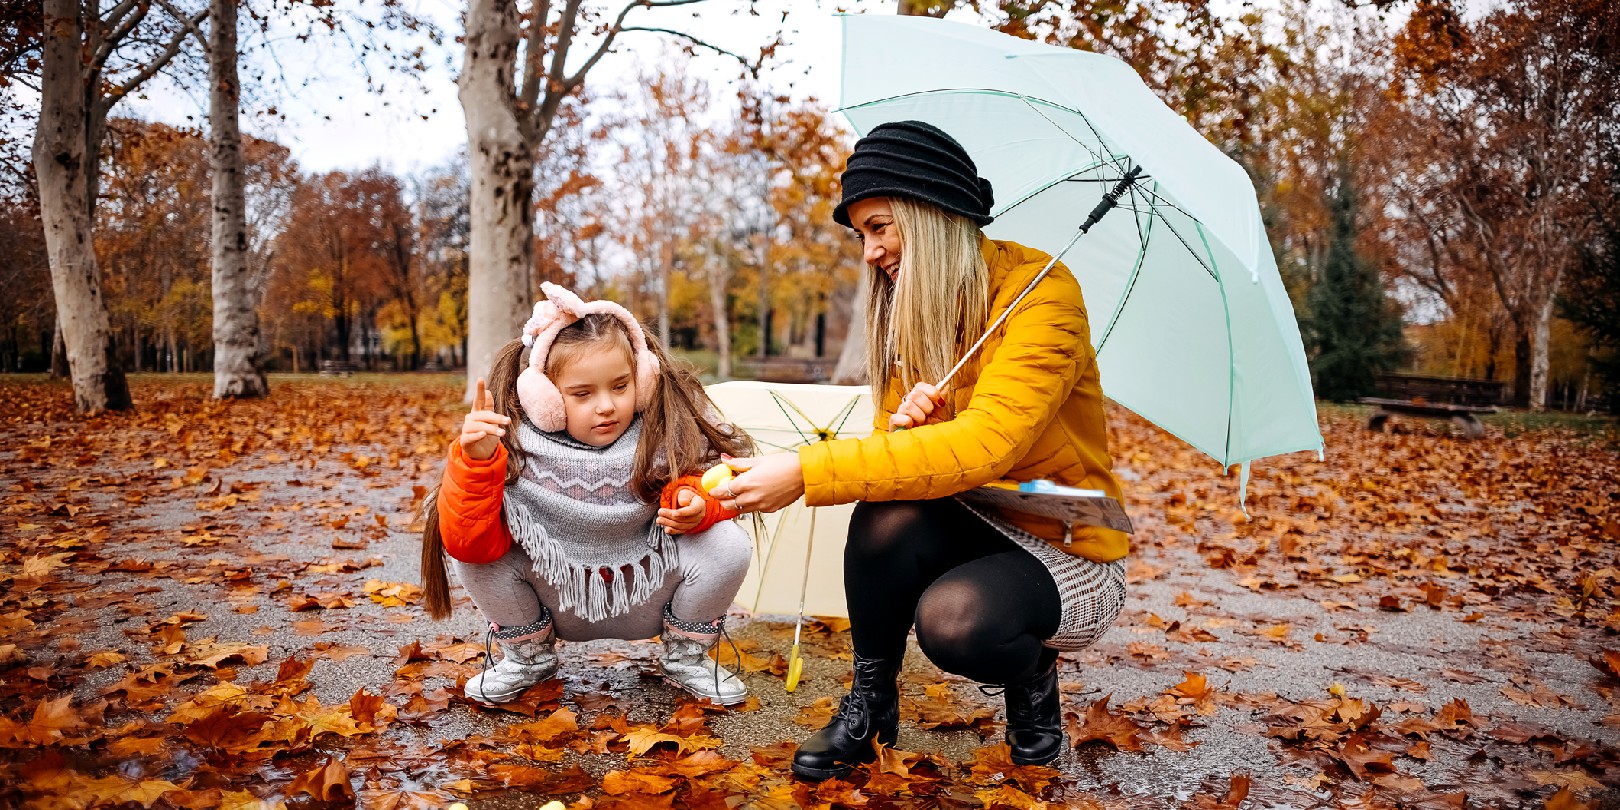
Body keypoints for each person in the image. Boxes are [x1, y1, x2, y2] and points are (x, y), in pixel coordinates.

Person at [713, 121, 1129, 778]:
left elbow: (989, 444)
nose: (870, 251)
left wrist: (804, 471)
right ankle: (872, 705)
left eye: (879, 227)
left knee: (957, 625)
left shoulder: (1043, 294)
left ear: (930, 211)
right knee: (883, 516)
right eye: (861, 236)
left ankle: (1033, 679)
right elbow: (896, 468)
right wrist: (905, 435)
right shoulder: (911, 312)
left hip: (1063, 533)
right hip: (970, 514)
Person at [420, 282, 756, 705]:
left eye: (620, 386)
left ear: (644, 378)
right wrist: (477, 465)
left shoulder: (666, 434)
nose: (606, 406)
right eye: (582, 394)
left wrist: (696, 504)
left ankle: (686, 656)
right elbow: (467, 543)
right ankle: (528, 658)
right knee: (481, 562)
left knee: (727, 545)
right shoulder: (513, 448)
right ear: (544, 399)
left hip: (646, 594)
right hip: (556, 600)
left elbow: (714, 485)